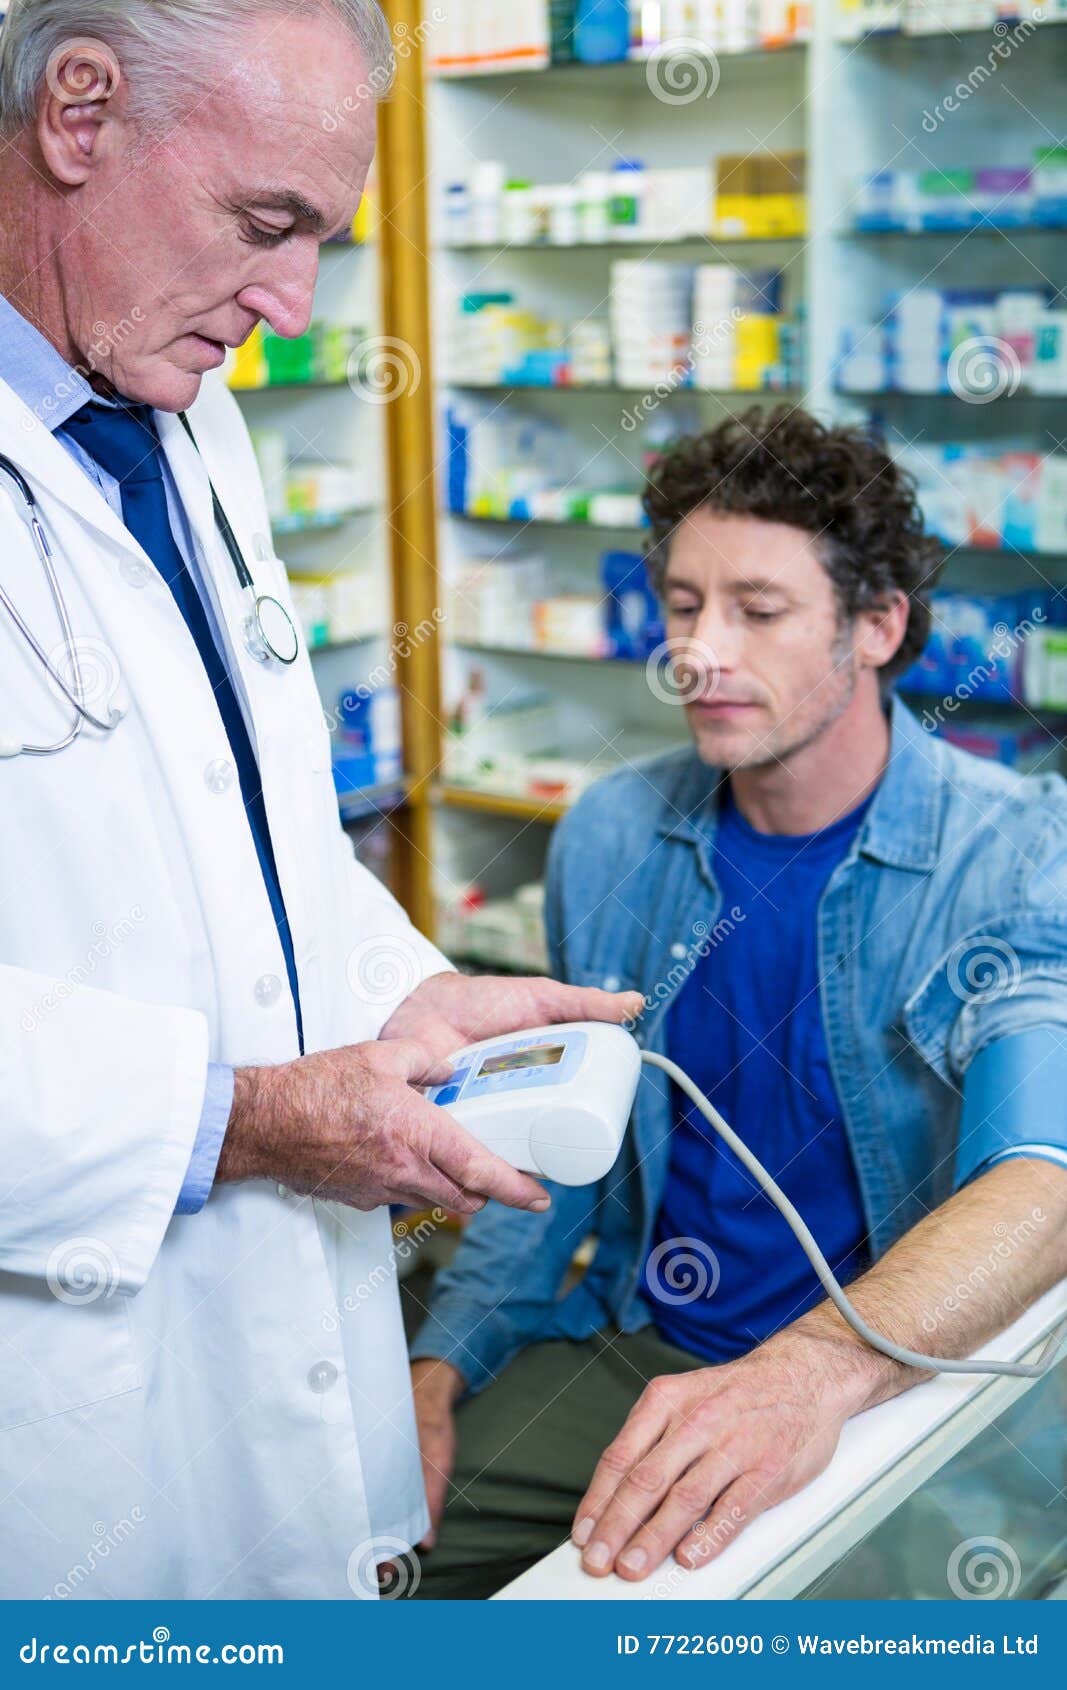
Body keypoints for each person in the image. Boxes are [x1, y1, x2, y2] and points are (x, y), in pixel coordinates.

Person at [0, 0, 640, 1601]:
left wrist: (400, 988)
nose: (287, 307)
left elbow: (260, 835)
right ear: (78, 113)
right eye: (262, 223)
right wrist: (241, 1118)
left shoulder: (188, 418)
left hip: (274, 1353)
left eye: (318, 241)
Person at [409, 405, 1067, 1596]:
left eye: (757, 613)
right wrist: (438, 1369)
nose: (696, 653)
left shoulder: (1016, 852)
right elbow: (554, 1167)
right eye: (679, 606)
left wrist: (808, 1374)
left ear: (876, 627)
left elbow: (1042, 1177)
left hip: (887, 1377)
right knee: (374, 1565)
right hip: (642, 1358)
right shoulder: (612, 832)